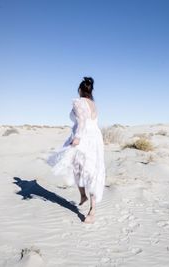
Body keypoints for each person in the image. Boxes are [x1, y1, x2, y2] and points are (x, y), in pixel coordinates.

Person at [47, 77, 106, 223]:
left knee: (77, 167)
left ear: (80, 90)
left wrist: (78, 137)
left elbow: (81, 121)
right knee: (91, 171)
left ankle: (89, 206)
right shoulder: (94, 104)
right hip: (96, 138)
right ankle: (88, 203)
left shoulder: (78, 102)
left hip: (84, 137)